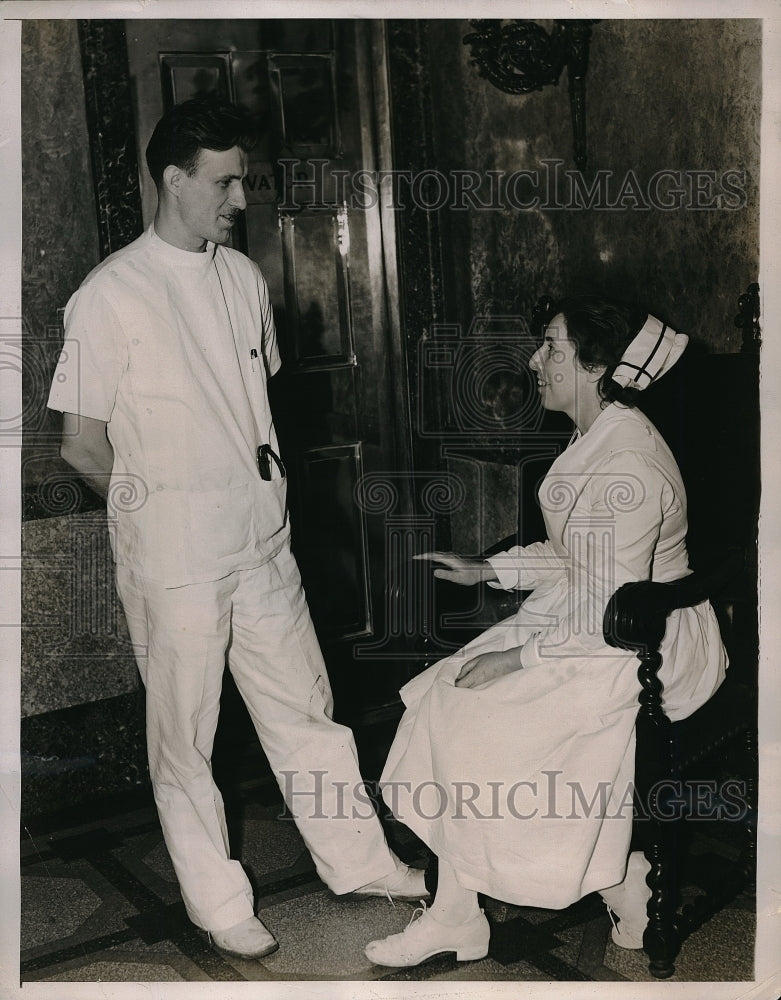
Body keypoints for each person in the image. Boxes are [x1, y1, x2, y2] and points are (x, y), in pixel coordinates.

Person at [47, 95, 425, 962]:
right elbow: (81, 445)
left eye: (242, 180)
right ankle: (218, 902)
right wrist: (160, 515)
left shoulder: (244, 278)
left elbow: (252, 405)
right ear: (173, 179)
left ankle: (359, 863)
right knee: (186, 738)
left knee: (307, 714)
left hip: (262, 541)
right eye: (223, 182)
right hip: (177, 559)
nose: (240, 198)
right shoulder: (110, 295)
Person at [364, 296, 727, 967]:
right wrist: (487, 568)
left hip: (645, 638)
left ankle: (594, 882)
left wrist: (517, 662)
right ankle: (484, 908)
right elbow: (580, 558)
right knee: (450, 694)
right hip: (595, 614)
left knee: (483, 711)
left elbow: (606, 598)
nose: (534, 361)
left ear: (596, 368)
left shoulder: (629, 463)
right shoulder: (597, 432)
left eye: (552, 348)